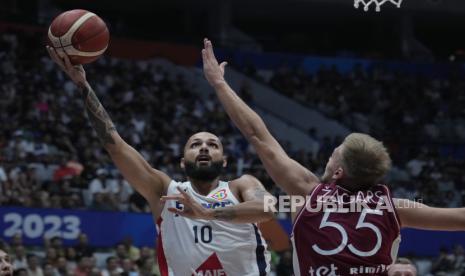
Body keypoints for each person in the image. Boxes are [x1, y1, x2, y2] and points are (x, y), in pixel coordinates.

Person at [201, 38, 465, 275]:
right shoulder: (397, 208)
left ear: (338, 172)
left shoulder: (307, 194)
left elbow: (257, 135)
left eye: (333, 155)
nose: (328, 158)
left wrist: (220, 84)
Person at [46, 46, 274, 275]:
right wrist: (83, 86)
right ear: (183, 162)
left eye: (212, 145)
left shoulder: (243, 185)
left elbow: (268, 208)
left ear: (224, 161)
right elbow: (115, 145)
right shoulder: (165, 192)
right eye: (195, 145)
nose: (204, 147)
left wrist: (207, 212)